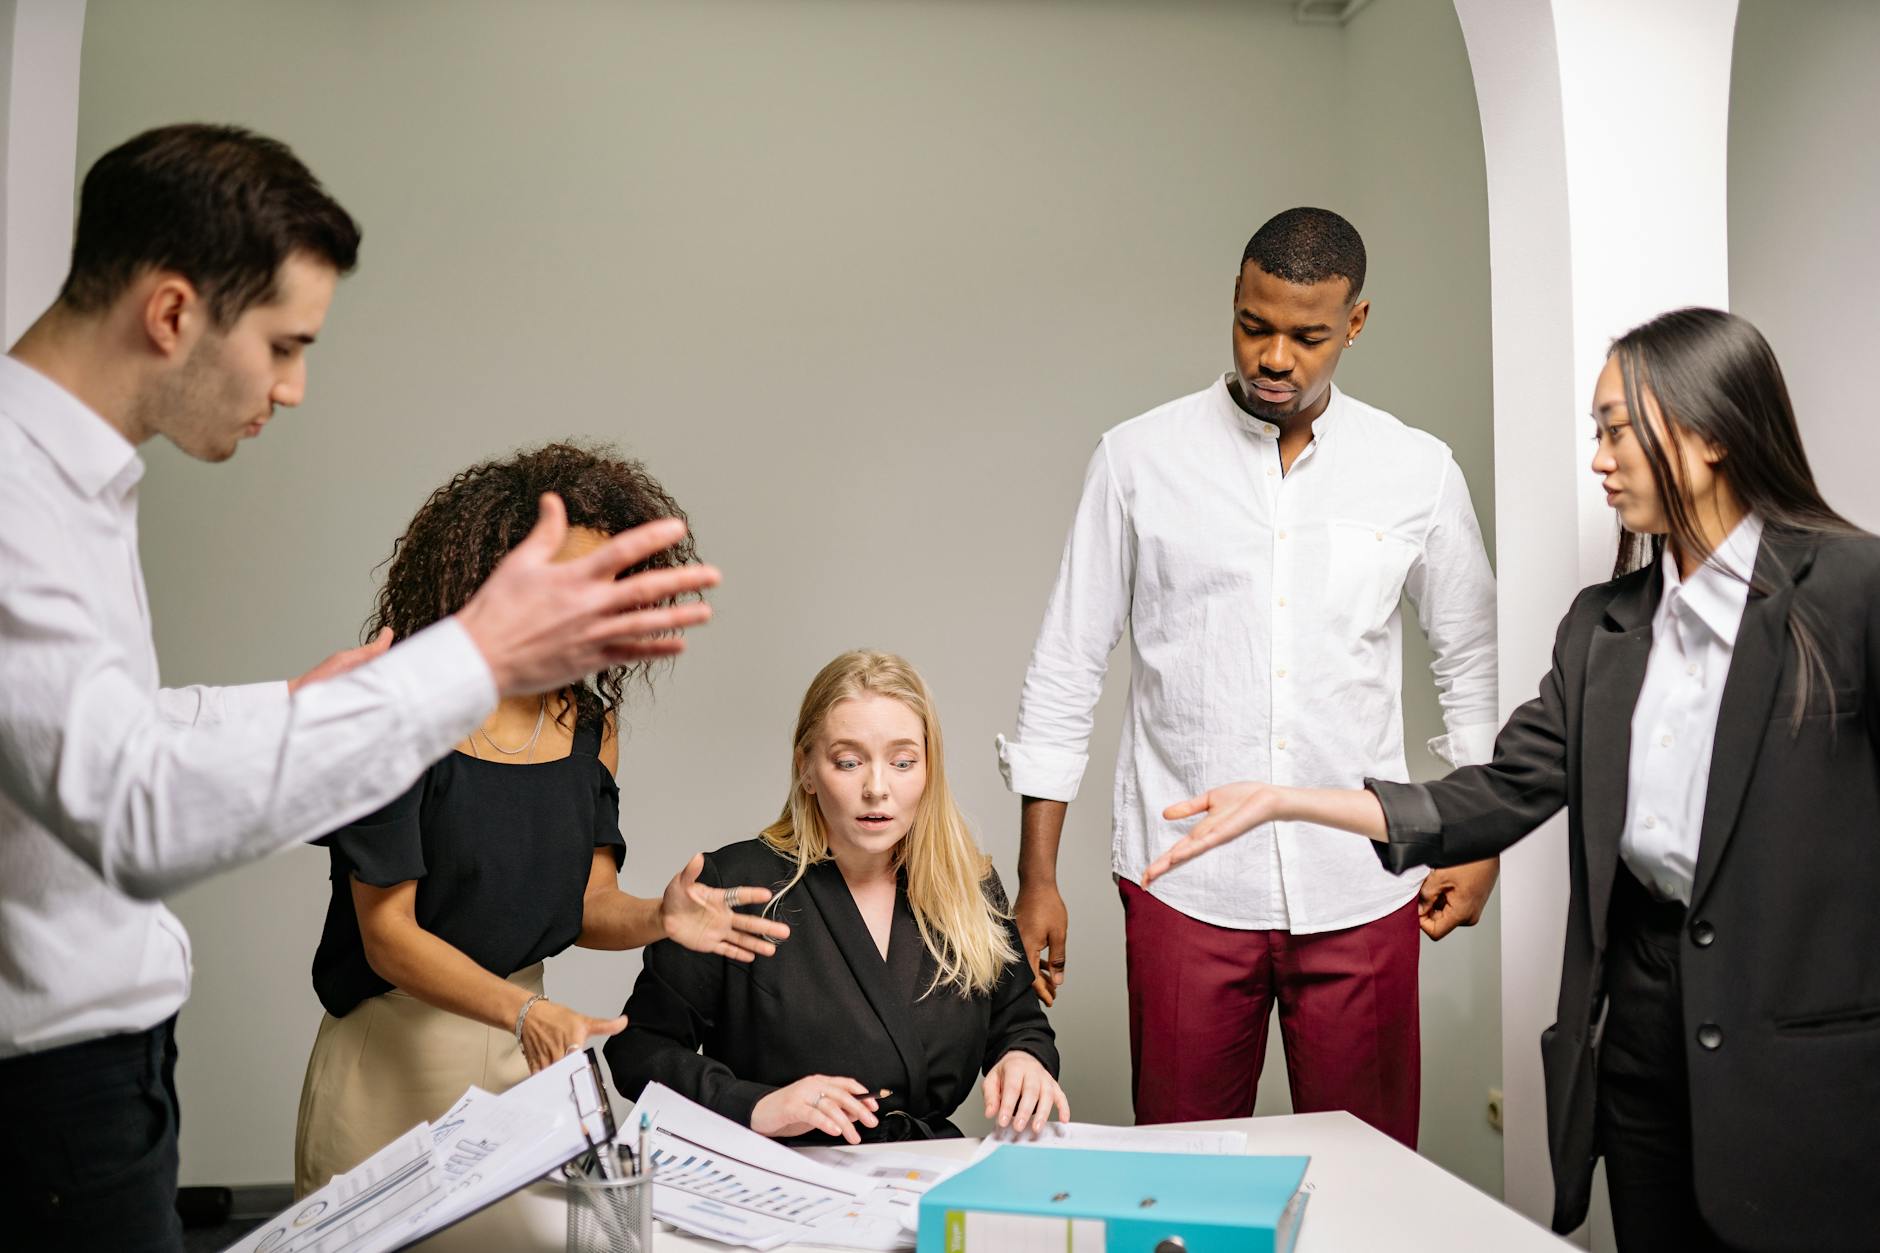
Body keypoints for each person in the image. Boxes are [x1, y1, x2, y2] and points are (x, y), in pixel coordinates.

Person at [0, 125, 717, 1253]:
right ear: (174, 312)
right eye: (284, 344)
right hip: (51, 1100)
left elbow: (104, 733)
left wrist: (294, 705)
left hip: (100, 1079)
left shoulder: (74, 486)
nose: (292, 389)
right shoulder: (14, 493)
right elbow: (130, 814)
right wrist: (469, 660)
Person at [1145, 308, 1879, 1252]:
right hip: (1643, 1027)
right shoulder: (1603, 628)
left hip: (1803, 1045)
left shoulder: (1851, 592)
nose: (1601, 459)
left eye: (1619, 429)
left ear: (1712, 433)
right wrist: (1287, 798)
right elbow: (1492, 793)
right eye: (1598, 432)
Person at [997, 207, 1499, 1145]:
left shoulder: (1417, 471)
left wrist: (1481, 837)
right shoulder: (1137, 460)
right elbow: (1066, 663)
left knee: (1373, 1178)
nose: (1274, 356)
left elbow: (1472, 656)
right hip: (1187, 886)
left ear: (1354, 323)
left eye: (1307, 336)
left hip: (1363, 882)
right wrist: (1039, 877)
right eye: (1252, 325)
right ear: (1232, 302)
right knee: (1181, 1181)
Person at [292, 443, 788, 1245]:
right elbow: (387, 936)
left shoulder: (591, 724)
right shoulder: (402, 705)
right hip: (391, 1060)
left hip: (524, 1066)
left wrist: (661, 917)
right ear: (493, 578)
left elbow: (587, 904)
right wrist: (526, 1010)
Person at [607, 650, 1066, 1144]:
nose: (876, 788)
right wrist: (756, 1106)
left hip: (927, 1169)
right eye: (848, 762)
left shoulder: (970, 884)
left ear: (929, 769)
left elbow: (1019, 1024)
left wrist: (1023, 1059)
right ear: (806, 769)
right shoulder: (735, 883)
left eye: (903, 762)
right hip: (780, 1175)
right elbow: (638, 1048)